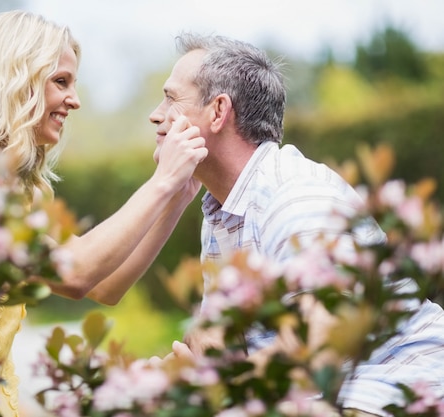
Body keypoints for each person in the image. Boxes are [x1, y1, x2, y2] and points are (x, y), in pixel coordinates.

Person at [0, 11, 207, 417]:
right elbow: (74, 274)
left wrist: (179, 194)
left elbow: (104, 287)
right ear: (15, 81)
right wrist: (162, 182)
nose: (75, 99)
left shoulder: (23, 192)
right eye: (61, 81)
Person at [148, 33, 444, 416]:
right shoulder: (221, 210)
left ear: (218, 112)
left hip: (396, 386)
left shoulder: (295, 196)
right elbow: (225, 349)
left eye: (171, 98)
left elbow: (322, 344)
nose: (157, 113)